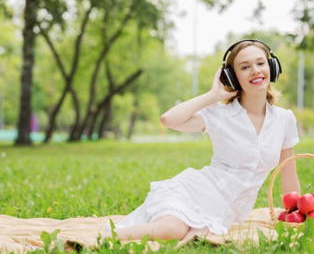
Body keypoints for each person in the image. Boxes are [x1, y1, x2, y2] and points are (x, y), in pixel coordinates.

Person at [102, 39, 301, 242]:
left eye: (260, 63)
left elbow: (289, 173)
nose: (255, 71)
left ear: (272, 67)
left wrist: (297, 214)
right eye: (244, 67)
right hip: (195, 192)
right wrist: (213, 95)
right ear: (232, 77)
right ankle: (106, 236)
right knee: (172, 230)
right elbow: (168, 119)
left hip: (227, 213)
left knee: (193, 236)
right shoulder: (221, 115)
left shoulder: (285, 119)